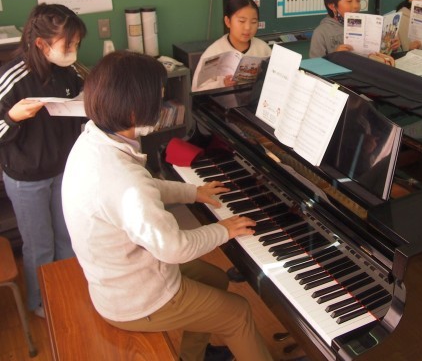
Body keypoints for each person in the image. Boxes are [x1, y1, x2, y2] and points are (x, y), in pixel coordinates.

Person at [61, 51, 272, 361]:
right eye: (157, 101)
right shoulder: (125, 182)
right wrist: (223, 230)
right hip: (135, 299)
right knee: (238, 313)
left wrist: (192, 192)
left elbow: (143, 190)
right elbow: (174, 248)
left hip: (119, 273)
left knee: (217, 279)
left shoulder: (93, 140)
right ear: (134, 110)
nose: (161, 108)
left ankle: (193, 355)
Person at [0, 3, 86, 318]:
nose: (73, 51)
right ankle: (41, 301)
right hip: (27, 178)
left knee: (67, 236)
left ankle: (66, 287)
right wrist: (12, 117)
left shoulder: (69, 72)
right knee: (39, 245)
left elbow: (83, 103)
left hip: (63, 170)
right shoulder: (13, 77)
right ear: (41, 43)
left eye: (77, 44)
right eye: (69, 44)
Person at [192, 0, 271, 91]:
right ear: (228, 21)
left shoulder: (263, 49)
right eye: (242, 21)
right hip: (222, 100)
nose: (247, 27)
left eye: (253, 22)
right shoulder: (213, 52)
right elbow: (196, 89)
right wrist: (222, 83)